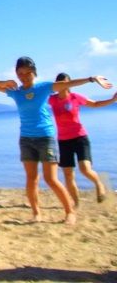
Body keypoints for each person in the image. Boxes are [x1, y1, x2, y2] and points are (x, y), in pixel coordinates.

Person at [0, 57, 111, 225]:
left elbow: (68, 84)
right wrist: (5, 82)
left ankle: (70, 212)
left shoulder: (44, 87)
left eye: (28, 73)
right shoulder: (15, 91)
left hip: (45, 137)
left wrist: (91, 79)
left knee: (51, 179)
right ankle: (36, 213)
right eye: (20, 73)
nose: (24, 76)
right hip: (26, 139)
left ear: (34, 72)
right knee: (31, 179)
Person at [48, 72, 116, 206]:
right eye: (60, 83)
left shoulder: (75, 97)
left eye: (66, 83)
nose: (63, 85)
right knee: (68, 175)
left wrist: (113, 100)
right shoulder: (52, 99)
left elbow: (95, 104)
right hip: (63, 141)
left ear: (70, 84)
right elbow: (37, 99)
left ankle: (99, 184)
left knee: (85, 169)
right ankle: (76, 204)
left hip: (80, 137)